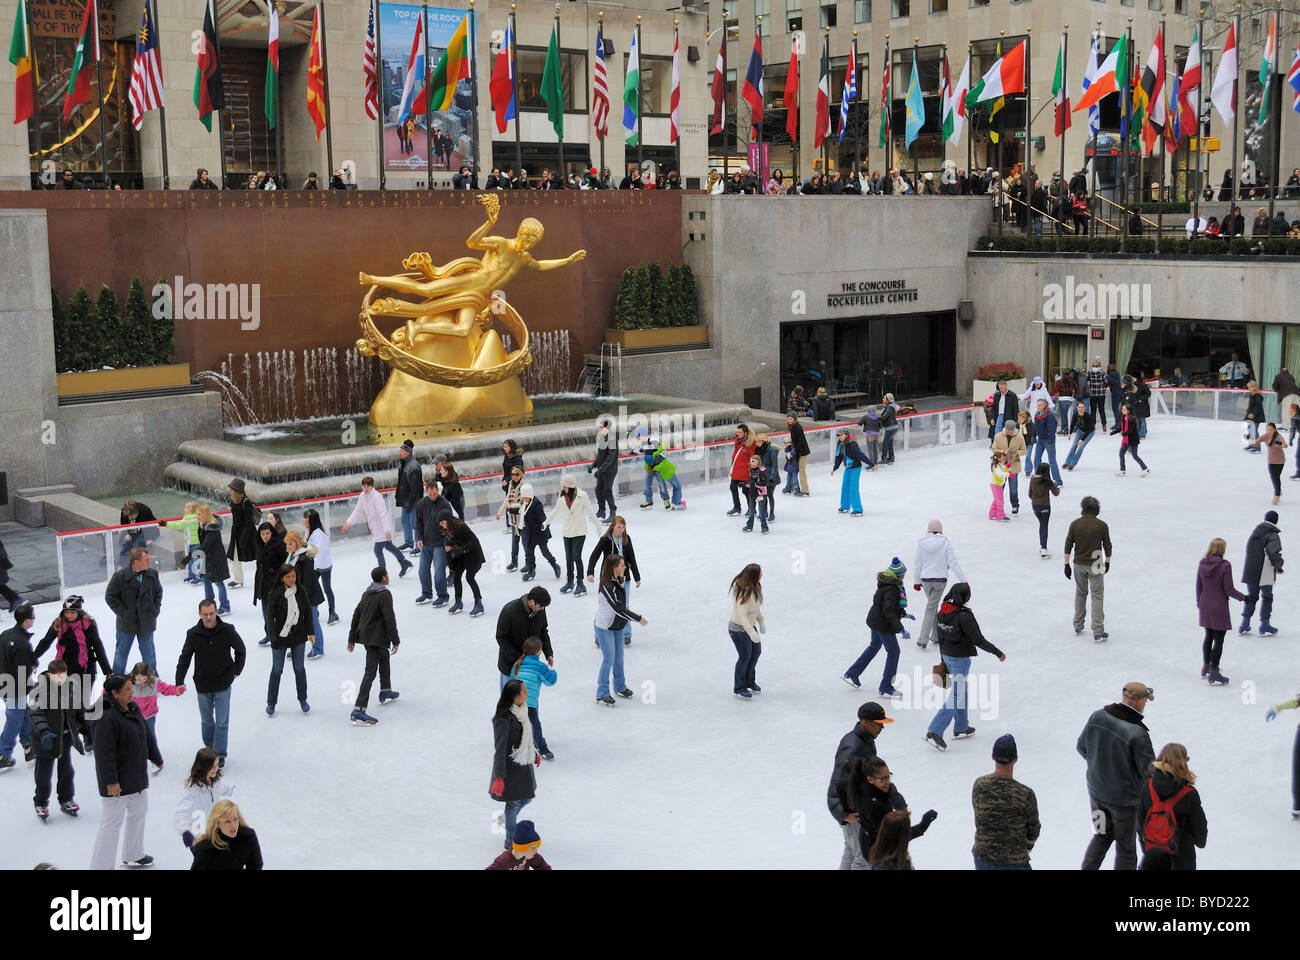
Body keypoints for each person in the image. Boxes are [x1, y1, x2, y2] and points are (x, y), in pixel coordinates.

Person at [1077, 682, 1157, 870]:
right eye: (1145, 700)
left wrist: (1100, 767)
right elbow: (1149, 773)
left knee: (1101, 836)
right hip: (1124, 804)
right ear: (1138, 702)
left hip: (1096, 795)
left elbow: (1081, 747)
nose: (1145, 704)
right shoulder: (1138, 733)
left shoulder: (1097, 716)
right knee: (1126, 848)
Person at [90, 674, 163, 869]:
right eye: (127, 690)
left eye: (131, 688)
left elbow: (145, 734)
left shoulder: (131, 706)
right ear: (114, 694)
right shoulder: (105, 716)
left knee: (139, 811)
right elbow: (104, 753)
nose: (132, 692)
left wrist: (156, 757)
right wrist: (111, 781)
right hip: (117, 780)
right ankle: (101, 866)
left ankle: (133, 852)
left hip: (135, 774)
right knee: (111, 823)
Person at [924, 583, 1006, 751]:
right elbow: (978, 639)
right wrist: (997, 652)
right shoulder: (964, 616)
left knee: (962, 690)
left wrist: (943, 660)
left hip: (947, 655)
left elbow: (940, 636)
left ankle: (961, 726)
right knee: (957, 694)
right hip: (959, 659)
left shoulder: (942, 611)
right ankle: (935, 730)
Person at [175, 599, 245, 767]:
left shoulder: (227, 630)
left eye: (211, 613)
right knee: (207, 721)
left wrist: (236, 671)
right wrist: (179, 680)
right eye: (205, 614)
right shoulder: (193, 634)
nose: (208, 617)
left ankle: (219, 755)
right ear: (200, 614)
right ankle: (209, 751)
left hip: (222, 683)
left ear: (216, 612)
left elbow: (241, 650)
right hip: (203, 684)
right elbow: (185, 658)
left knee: (221, 722)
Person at [827, 702, 891, 869]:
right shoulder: (853, 747)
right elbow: (837, 780)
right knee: (861, 857)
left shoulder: (864, 740)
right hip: (853, 812)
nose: (882, 727)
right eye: (879, 723)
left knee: (850, 851)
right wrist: (841, 813)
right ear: (865, 722)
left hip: (858, 807)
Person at [29, 660, 88, 822]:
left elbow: (80, 711)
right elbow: (35, 713)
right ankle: (40, 802)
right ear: (49, 674)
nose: (62, 679)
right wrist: (45, 732)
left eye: (64, 676)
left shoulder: (71, 688)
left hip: (65, 737)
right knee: (43, 774)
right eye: (58, 677)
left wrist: (88, 731)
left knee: (67, 771)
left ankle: (66, 798)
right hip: (46, 739)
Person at [848, 756, 937, 863]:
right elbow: (896, 837)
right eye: (883, 779)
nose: (888, 782)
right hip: (882, 856)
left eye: (888, 776)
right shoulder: (874, 807)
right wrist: (922, 825)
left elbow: (891, 789)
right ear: (870, 779)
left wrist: (900, 804)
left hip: (871, 846)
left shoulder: (867, 786)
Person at [33, 596, 110, 720]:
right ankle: (71, 732)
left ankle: (87, 734)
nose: (69, 615)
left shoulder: (88, 625)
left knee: (83, 705)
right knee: (67, 705)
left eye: (72, 612)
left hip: (85, 669)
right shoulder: (59, 624)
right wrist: (33, 658)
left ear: (79, 612)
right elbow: (45, 642)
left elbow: (98, 646)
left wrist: (107, 671)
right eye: (66, 612)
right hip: (64, 670)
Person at [972, 734, 1040, 869]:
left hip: (982, 858)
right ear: (1015, 759)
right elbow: (1033, 830)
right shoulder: (1025, 794)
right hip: (1014, 861)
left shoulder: (979, 785)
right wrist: (1026, 847)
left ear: (993, 756)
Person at [1137, 743, 1208, 870]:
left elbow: (1139, 824)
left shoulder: (1147, 787)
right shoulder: (1189, 794)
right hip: (1182, 861)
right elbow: (1201, 839)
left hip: (1152, 861)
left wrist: (1150, 849)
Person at [842, 559, 906, 696]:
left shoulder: (888, 585)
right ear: (898, 575)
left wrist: (904, 614)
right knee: (894, 652)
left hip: (875, 621)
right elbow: (888, 610)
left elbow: (891, 607)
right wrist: (901, 628)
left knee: (874, 646)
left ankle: (852, 673)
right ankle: (886, 686)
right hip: (882, 624)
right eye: (903, 574)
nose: (904, 576)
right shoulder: (892, 589)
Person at [347, 567, 400, 726]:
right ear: (383, 578)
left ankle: (385, 690)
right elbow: (389, 618)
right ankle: (359, 709)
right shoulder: (384, 594)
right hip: (375, 638)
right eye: (387, 575)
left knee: (384, 658)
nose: (388, 577)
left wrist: (351, 638)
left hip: (368, 636)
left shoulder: (367, 593)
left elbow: (357, 614)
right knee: (370, 671)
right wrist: (395, 640)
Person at [490, 678, 538, 849]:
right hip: (510, 769)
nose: (527, 693)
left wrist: (534, 753)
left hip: (522, 763)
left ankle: (505, 818)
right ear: (515, 697)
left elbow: (527, 735)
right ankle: (510, 842)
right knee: (513, 803)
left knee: (526, 797)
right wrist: (499, 777)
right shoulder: (503, 720)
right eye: (524, 691)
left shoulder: (522, 710)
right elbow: (500, 750)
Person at [1195, 538, 1248, 686]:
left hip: (1205, 604)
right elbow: (1229, 589)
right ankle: (1214, 671)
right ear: (1222, 549)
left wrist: (1200, 602)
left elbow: (1198, 586)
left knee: (1209, 635)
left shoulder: (1202, 563)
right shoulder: (1225, 566)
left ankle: (1206, 666)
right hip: (1219, 606)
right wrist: (1244, 598)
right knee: (1219, 638)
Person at [593, 555, 645, 706]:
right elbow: (619, 608)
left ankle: (619, 686)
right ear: (614, 567)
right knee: (609, 659)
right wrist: (638, 618)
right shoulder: (607, 586)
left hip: (618, 626)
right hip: (605, 627)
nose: (625, 567)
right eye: (622, 565)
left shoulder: (619, 580)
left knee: (619, 658)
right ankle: (602, 693)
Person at [105, 547, 163, 675]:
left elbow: (158, 592)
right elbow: (110, 596)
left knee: (149, 654)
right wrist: (124, 613)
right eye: (145, 559)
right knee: (121, 652)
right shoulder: (120, 577)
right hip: (127, 623)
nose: (149, 561)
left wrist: (155, 610)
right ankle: (117, 680)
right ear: (136, 562)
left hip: (146, 621)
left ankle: (152, 680)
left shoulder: (152, 574)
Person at [265, 564, 313, 716]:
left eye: (293, 576)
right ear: (282, 578)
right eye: (288, 577)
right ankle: (271, 702)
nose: (291, 579)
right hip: (280, 637)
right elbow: (270, 618)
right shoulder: (275, 594)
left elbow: (308, 614)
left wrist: (311, 632)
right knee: (277, 670)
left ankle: (303, 699)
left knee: (299, 669)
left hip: (298, 636)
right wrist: (273, 638)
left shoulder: (301, 591)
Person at [911, 520, 966, 652]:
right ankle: (924, 639)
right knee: (932, 607)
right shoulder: (945, 541)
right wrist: (963, 580)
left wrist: (917, 581)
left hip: (925, 580)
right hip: (940, 580)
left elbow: (917, 564)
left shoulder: (921, 543)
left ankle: (934, 636)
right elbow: (952, 562)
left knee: (932, 606)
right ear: (940, 530)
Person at [1064, 495, 1113, 643]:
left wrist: (1066, 565)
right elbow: (1107, 546)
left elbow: (1068, 544)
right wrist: (1108, 562)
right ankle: (1098, 631)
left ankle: (1078, 625)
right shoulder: (1102, 525)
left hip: (1079, 563)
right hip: (1096, 562)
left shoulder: (1075, 524)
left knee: (1081, 593)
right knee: (1097, 595)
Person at [544, 475, 601, 596]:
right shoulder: (562, 498)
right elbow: (554, 512)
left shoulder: (582, 496)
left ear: (570, 486)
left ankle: (580, 583)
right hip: (567, 532)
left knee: (576, 556)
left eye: (564, 486)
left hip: (579, 531)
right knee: (568, 557)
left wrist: (598, 526)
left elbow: (591, 512)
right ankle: (570, 581)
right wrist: (546, 523)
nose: (562, 488)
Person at [343, 476, 412, 576]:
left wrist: (387, 530)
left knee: (377, 551)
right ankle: (404, 562)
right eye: (364, 486)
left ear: (372, 486)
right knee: (389, 546)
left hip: (382, 529)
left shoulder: (376, 497)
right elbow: (358, 511)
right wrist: (348, 523)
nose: (365, 488)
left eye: (367, 486)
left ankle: (382, 575)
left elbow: (383, 513)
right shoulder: (362, 496)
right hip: (374, 528)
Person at [0, 604, 37, 771]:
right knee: (15, 720)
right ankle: (2, 754)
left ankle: (29, 747)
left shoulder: (5, 634)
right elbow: (22, 671)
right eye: (33, 617)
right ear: (28, 621)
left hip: (4, 683)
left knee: (24, 715)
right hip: (15, 688)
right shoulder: (22, 643)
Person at [174, 748, 234, 849]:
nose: (216, 769)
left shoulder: (215, 783)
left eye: (217, 765)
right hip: (198, 837)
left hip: (213, 831)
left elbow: (225, 788)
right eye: (212, 766)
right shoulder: (193, 790)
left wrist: (232, 789)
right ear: (203, 767)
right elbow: (181, 812)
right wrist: (185, 831)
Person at [495, 587, 552, 690]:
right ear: (531, 601)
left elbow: (543, 631)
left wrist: (548, 653)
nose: (542, 609)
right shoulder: (509, 611)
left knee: (529, 698)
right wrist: (519, 658)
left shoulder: (539, 610)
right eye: (540, 606)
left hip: (530, 667)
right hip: (510, 666)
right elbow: (502, 638)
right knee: (508, 701)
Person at [128, 662, 183, 769]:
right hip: (133, 715)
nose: (140, 682)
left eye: (144, 679)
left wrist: (176, 690)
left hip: (149, 715)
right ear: (133, 675)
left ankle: (155, 761)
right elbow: (114, 689)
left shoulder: (154, 682)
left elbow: (166, 689)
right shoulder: (127, 682)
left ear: (148, 676)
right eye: (138, 679)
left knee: (150, 737)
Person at [509, 637, 556, 760]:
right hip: (529, 703)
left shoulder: (517, 664)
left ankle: (512, 745)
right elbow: (550, 681)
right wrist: (552, 671)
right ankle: (542, 748)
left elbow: (511, 680)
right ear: (538, 651)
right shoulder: (540, 667)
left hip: (514, 701)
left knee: (516, 724)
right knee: (535, 725)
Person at [1240, 509, 1283, 636]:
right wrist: (1279, 565)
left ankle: (1244, 623)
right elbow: (1273, 553)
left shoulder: (1254, 534)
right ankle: (1264, 625)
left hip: (1250, 571)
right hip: (1264, 572)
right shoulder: (1272, 534)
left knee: (1251, 597)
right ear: (1275, 521)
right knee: (1267, 597)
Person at [284, 531, 326, 659]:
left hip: (308, 598)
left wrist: (301, 599)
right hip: (294, 595)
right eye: (287, 544)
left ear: (297, 543)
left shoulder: (305, 558)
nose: (288, 547)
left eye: (290, 544)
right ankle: (297, 648)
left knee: (312, 623)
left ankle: (317, 648)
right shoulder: (292, 556)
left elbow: (307, 582)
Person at [190, 800, 263, 870]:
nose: (233, 826)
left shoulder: (248, 836)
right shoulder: (205, 847)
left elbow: (256, 865)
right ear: (217, 823)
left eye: (235, 819)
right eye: (227, 821)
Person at [727, 564, 765, 699]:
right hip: (738, 629)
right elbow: (742, 615)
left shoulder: (756, 588)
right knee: (745, 657)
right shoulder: (743, 591)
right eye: (760, 572)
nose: (762, 574)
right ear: (754, 575)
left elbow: (755, 608)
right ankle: (739, 687)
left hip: (750, 626)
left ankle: (749, 681)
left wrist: (760, 620)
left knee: (756, 653)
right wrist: (751, 632)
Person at [415, 480, 455, 604]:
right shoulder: (422, 504)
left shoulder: (444, 504)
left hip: (439, 544)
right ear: (427, 492)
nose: (432, 496)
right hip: (426, 543)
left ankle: (443, 596)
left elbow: (450, 525)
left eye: (434, 494)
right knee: (422, 571)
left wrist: (448, 542)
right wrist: (419, 538)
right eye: (430, 494)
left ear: (437, 491)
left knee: (439, 573)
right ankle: (426, 593)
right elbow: (419, 522)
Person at [441, 517, 485, 616]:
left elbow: (473, 542)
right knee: (456, 576)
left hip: (473, 553)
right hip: (461, 555)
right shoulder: (445, 529)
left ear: (448, 521)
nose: (441, 525)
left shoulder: (461, 527)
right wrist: (449, 546)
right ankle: (458, 602)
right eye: (440, 523)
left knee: (469, 577)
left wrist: (459, 549)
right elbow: (447, 541)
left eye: (443, 522)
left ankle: (479, 604)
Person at [252, 522, 286, 645]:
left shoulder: (278, 545)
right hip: (263, 583)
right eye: (263, 534)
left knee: (276, 612)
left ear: (272, 533)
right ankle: (269, 634)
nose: (265, 536)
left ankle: (280, 635)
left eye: (267, 533)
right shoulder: (259, 545)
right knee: (266, 612)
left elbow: (285, 562)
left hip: (274, 584)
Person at [635, 427, 685, 510]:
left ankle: (667, 500)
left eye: (638, 436)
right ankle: (648, 500)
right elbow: (641, 450)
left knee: (662, 484)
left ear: (642, 434)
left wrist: (655, 462)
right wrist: (635, 452)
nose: (637, 438)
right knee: (647, 483)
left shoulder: (654, 441)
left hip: (659, 467)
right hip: (650, 467)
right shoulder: (643, 444)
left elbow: (662, 451)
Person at [303, 509, 337, 626]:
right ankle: (314, 610)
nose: (303, 519)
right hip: (314, 565)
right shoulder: (308, 530)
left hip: (323, 565)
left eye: (305, 517)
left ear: (310, 520)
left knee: (327, 588)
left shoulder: (319, 534)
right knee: (310, 587)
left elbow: (320, 552)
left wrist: (312, 566)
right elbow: (306, 546)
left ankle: (332, 612)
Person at [195, 507, 230, 614]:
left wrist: (195, 553)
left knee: (218, 582)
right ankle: (209, 605)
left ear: (205, 514)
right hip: (206, 558)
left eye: (199, 514)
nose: (197, 516)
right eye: (197, 514)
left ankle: (225, 606)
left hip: (215, 559)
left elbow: (207, 544)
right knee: (206, 580)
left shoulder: (212, 528)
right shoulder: (203, 525)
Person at [224, 479, 258, 589]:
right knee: (235, 556)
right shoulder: (233, 501)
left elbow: (249, 522)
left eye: (232, 489)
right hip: (236, 532)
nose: (230, 491)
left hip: (247, 533)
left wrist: (244, 538)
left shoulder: (246, 502)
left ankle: (264, 574)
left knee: (258, 554)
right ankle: (238, 579)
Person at [831, 428, 873, 517]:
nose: (840, 437)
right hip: (848, 468)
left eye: (841, 435)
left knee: (853, 488)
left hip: (855, 468)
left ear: (846, 435)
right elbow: (838, 457)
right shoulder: (841, 444)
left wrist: (871, 463)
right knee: (845, 487)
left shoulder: (852, 445)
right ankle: (845, 506)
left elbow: (861, 455)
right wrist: (835, 468)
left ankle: (858, 509)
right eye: (839, 436)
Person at [1248, 422, 1290, 503]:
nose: (1268, 432)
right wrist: (1250, 441)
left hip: (1280, 461)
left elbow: (1285, 444)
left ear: (1274, 430)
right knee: (1273, 477)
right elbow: (1256, 442)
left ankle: (1277, 494)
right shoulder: (1265, 436)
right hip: (1270, 460)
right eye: (1267, 430)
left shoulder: (1278, 436)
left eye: (1270, 430)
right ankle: (1278, 490)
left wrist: (1282, 444)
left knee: (1276, 477)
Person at [485, 819, 552, 870]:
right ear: (522, 848)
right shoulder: (504, 861)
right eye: (533, 848)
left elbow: (543, 867)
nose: (535, 851)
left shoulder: (531, 856)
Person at [497, 464, 528, 572]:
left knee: (525, 543)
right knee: (514, 541)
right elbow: (507, 499)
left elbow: (523, 503)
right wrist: (500, 512)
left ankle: (529, 563)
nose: (514, 476)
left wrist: (511, 506)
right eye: (512, 474)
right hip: (514, 519)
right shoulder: (511, 485)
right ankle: (514, 562)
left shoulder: (525, 486)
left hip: (523, 520)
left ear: (521, 475)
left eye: (517, 474)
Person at [991, 422, 1027, 516]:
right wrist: (1003, 451)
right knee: (999, 488)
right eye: (1008, 430)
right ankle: (997, 507)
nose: (1010, 432)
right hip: (1001, 467)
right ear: (1005, 429)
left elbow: (1024, 451)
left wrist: (1016, 453)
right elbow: (994, 449)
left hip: (1013, 466)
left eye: (1012, 430)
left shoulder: (1019, 437)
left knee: (1013, 488)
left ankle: (1015, 505)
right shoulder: (998, 436)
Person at [395, 440, 423, 552]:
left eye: (401, 451)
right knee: (404, 521)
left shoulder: (414, 466)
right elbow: (401, 482)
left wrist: (410, 503)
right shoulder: (404, 463)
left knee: (415, 523)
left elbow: (415, 488)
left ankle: (418, 544)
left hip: (413, 501)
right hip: (406, 500)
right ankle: (408, 542)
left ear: (408, 452)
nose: (400, 453)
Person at [1028, 462, 1060, 559]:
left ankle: (1043, 546)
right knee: (1044, 526)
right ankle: (1044, 548)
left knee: (1042, 525)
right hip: (1045, 506)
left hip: (1035, 506)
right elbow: (1056, 493)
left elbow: (1030, 494)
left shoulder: (1033, 479)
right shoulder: (1048, 481)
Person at [588, 422, 619, 520]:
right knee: (598, 490)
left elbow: (611, 457)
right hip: (602, 470)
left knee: (607, 491)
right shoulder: (602, 439)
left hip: (610, 470)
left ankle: (613, 513)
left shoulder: (612, 440)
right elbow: (600, 455)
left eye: (602, 427)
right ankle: (601, 511)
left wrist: (600, 470)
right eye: (600, 427)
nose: (600, 429)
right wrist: (593, 466)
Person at [726, 424, 757, 516]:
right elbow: (735, 454)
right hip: (736, 469)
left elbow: (753, 458)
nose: (738, 434)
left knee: (746, 491)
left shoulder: (750, 444)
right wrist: (732, 466)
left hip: (745, 472)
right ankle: (737, 507)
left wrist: (750, 470)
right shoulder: (737, 441)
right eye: (737, 432)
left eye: (740, 432)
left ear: (745, 433)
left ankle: (751, 509)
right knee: (732, 488)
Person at [116, 500, 158, 567]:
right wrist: (127, 533)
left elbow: (152, 526)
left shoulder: (144, 510)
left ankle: (134, 564)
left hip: (146, 531)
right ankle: (122, 564)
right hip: (132, 532)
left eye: (131, 516)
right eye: (128, 516)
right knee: (124, 544)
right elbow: (123, 525)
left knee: (138, 544)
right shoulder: (125, 511)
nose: (129, 518)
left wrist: (150, 538)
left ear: (136, 512)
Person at [1031, 398, 1063, 486]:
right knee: (1036, 459)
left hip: (1049, 441)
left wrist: (1050, 440)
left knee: (1052, 460)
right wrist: (1033, 435)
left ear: (1045, 406)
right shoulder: (1037, 414)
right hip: (1040, 440)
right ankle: (1038, 477)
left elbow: (1052, 429)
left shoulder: (1049, 415)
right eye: (1037, 405)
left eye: (1040, 405)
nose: (1038, 407)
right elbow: (1035, 426)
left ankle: (1058, 480)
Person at [1114, 402, 1149, 477]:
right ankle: (1122, 470)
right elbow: (1122, 427)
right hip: (1126, 440)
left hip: (1133, 440)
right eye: (1122, 409)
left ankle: (1145, 468)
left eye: (1124, 409)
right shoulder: (1125, 417)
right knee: (1121, 454)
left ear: (1128, 411)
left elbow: (1131, 430)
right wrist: (1114, 432)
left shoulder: (1131, 419)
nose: (1122, 410)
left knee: (1134, 455)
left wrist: (1124, 433)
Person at [740, 453, 771, 535]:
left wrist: (755, 484)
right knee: (751, 512)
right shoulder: (751, 470)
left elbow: (764, 483)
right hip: (752, 493)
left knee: (761, 513)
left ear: (758, 462)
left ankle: (764, 528)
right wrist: (744, 484)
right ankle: (749, 526)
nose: (751, 462)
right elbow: (751, 483)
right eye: (750, 461)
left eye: (753, 461)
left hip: (760, 494)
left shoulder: (762, 470)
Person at [1062, 401, 1095, 472]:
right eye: (1079, 407)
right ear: (1077, 407)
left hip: (1089, 432)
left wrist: (1082, 439)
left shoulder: (1088, 416)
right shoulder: (1075, 415)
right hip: (1080, 431)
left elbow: (1089, 429)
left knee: (1080, 448)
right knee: (1074, 446)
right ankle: (1067, 462)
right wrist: (1070, 433)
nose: (1081, 409)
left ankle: (1072, 464)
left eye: (1082, 407)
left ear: (1085, 408)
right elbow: (1073, 424)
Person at [786, 413, 811, 496]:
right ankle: (792, 487)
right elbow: (795, 441)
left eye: (790, 419)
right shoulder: (793, 427)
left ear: (794, 419)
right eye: (788, 419)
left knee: (801, 470)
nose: (789, 420)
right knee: (795, 469)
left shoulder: (798, 427)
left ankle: (805, 490)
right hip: (798, 452)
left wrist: (794, 452)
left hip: (802, 452)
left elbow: (800, 441)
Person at [1243, 381, 1266, 450]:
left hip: (1256, 416)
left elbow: (1257, 407)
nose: (1248, 388)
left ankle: (1257, 447)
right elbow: (1252, 406)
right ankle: (1252, 444)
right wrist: (1248, 411)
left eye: (1249, 387)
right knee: (1250, 430)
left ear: (1253, 387)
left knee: (1254, 431)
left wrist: (1252, 413)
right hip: (1251, 415)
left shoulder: (1257, 395)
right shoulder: (1252, 394)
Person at [988, 451, 1010, 521]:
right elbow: (1000, 474)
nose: (1003, 458)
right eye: (1002, 457)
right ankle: (1000, 516)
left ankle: (992, 514)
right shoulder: (996, 466)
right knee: (1000, 501)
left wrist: (1007, 467)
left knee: (996, 500)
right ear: (998, 458)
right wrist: (1009, 474)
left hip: (996, 485)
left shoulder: (999, 464)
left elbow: (1003, 468)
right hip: (996, 485)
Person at [879, 394, 900, 464]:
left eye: (884, 398)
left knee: (885, 443)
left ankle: (884, 458)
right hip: (893, 427)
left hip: (890, 428)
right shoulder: (890, 406)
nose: (883, 399)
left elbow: (883, 417)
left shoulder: (889, 408)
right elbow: (898, 407)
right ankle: (891, 457)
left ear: (888, 400)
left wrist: (875, 418)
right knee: (890, 443)